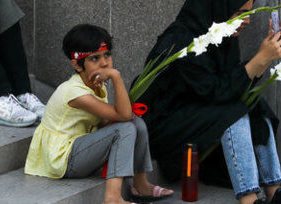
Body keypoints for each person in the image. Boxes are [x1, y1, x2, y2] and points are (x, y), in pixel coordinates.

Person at [138, 0, 281, 204]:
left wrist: (265, 57)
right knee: (233, 111)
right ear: (218, 7)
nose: (248, 20)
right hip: (166, 125)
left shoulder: (221, 35)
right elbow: (215, 93)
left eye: (249, 13)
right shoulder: (180, 41)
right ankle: (249, 197)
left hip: (201, 112)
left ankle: (274, 189)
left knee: (254, 103)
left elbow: (231, 87)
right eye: (241, 13)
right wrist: (258, 60)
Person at [25, 24, 173, 204]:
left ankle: (141, 185)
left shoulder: (95, 85)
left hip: (80, 147)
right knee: (125, 127)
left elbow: (109, 120)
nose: (104, 63)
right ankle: (112, 199)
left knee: (138, 124)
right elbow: (123, 116)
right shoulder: (73, 92)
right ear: (77, 65)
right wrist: (116, 77)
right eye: (95, 58)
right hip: (61, 159)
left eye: (107, 55)